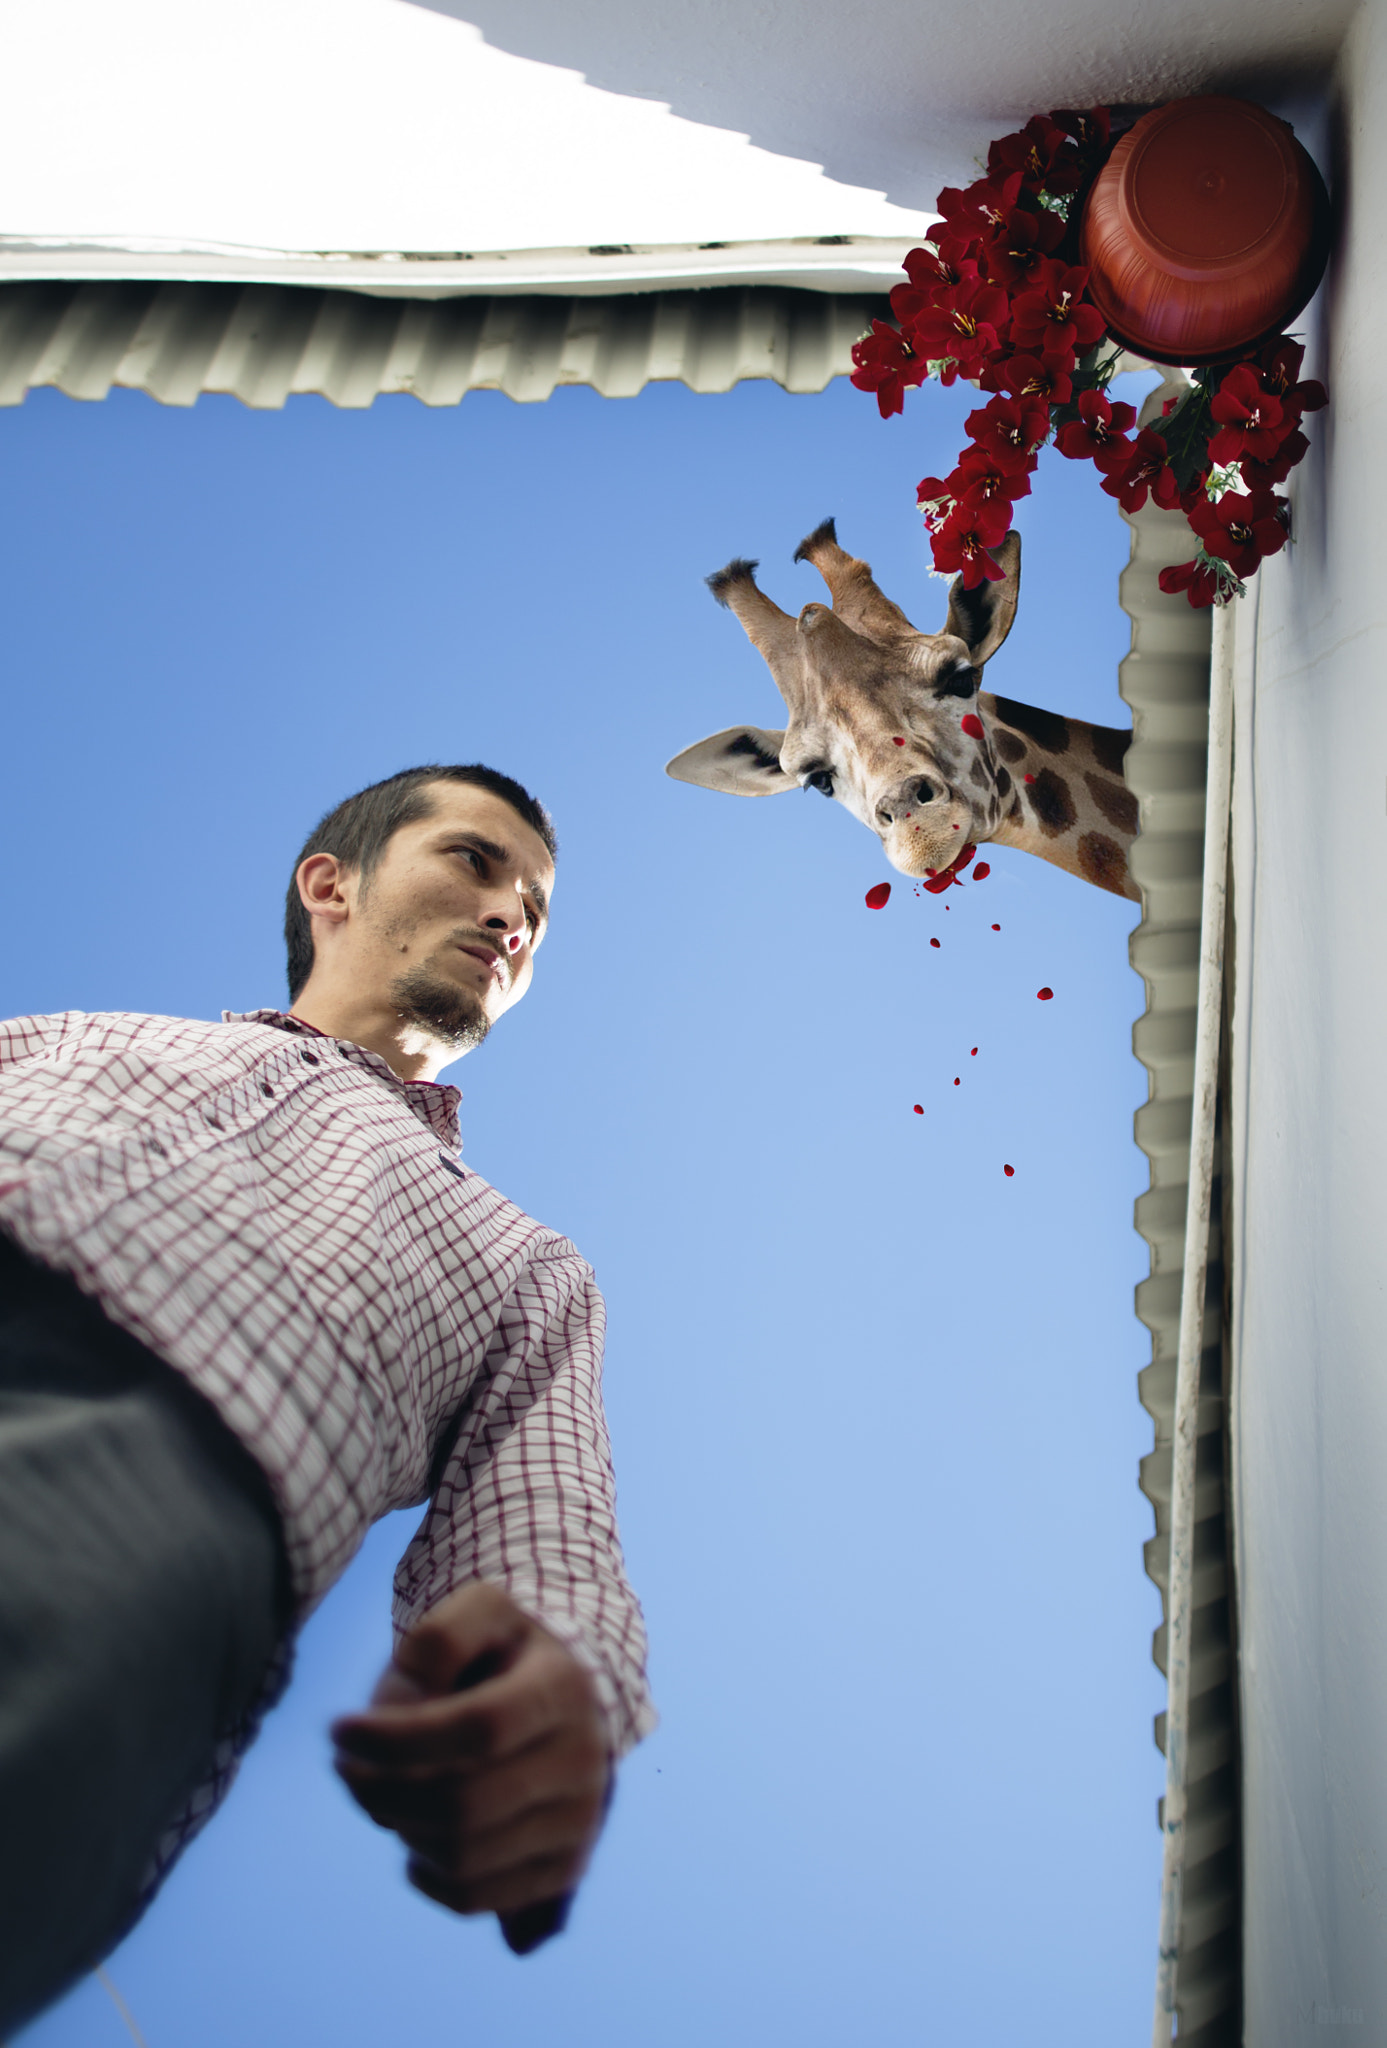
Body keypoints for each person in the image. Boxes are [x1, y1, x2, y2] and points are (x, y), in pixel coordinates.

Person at [0, 763, 654, 2034]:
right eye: (477, 860)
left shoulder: (521, 1264)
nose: (512, 914)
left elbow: (544, 1531)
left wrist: (559, 1679)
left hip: (137, 1504)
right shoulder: (63, 1037)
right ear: (330, 885)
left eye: (536, 910)